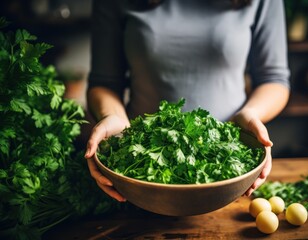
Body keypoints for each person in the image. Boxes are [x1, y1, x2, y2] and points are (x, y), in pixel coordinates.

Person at [84, 0, 290, 202]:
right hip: (140, 170)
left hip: (230, 160)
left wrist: (251, 114)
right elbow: (104, 83)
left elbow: (274, 80)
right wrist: (112, 117)